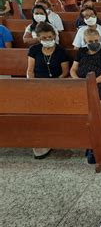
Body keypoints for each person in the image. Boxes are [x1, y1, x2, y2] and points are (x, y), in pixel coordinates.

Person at [26, 22, 69, 159]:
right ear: (39, 38)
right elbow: (30, 70)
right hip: (37, 85)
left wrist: (55, 84)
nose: (47, 40)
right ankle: (40, 138)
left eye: (50, 37)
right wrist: (32, 85)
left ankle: (52, 135)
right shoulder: (34, 50)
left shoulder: (61, 51)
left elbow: (65, 72)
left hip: (57, 84)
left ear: (54, 36)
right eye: (44, 38)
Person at [70, 28, 101, 147]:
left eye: (96, 40)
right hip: (82, 81)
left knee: (97, 94)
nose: (94, 43)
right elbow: (73, 69)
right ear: (85, 41)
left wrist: (93, 81)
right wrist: (76, 80)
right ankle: (83, 120)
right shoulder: (81, 52)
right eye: (90, 41)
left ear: (100, 39)